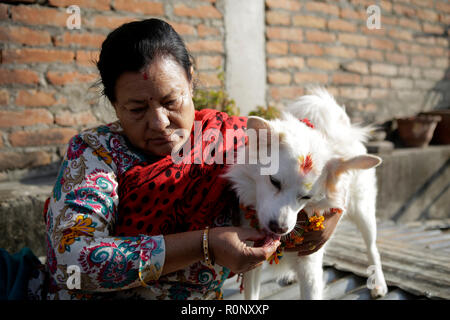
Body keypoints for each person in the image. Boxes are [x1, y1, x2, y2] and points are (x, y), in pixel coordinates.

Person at [40, 18, 342, 300]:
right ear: (115, 105)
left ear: (191, 79)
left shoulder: (235, 140)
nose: (159, 123)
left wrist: (324, 216)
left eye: (171, 101)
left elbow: (312, 163)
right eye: (136, 109)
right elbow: (72, 261)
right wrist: (205, 244)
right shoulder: (94, 153)